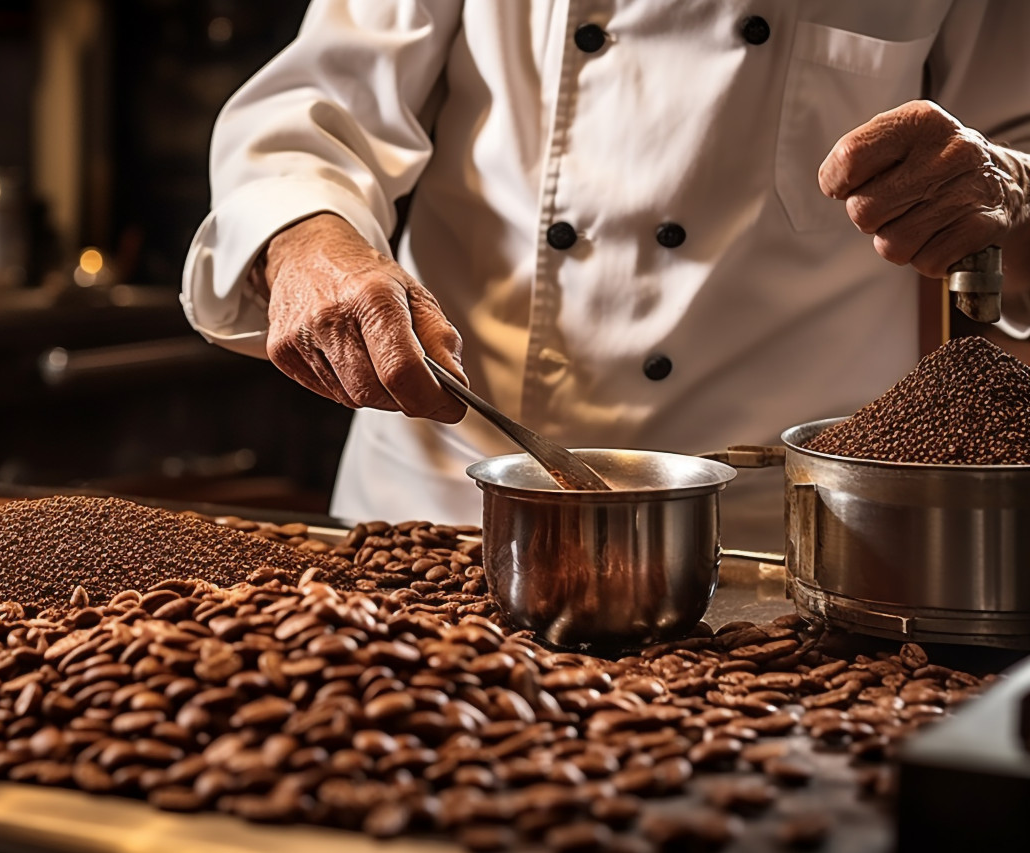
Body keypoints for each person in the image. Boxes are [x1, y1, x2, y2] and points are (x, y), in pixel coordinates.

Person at [181, 1, 1030, 549]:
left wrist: (1010, 191)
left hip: (783, 540)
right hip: (444, 510)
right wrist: (306, 239)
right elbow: (317, 110)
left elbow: (1011, 154)